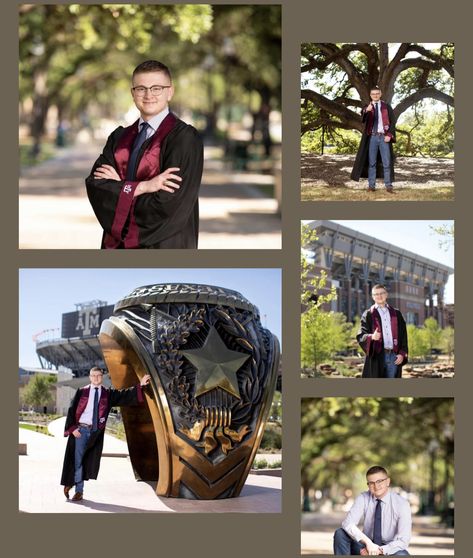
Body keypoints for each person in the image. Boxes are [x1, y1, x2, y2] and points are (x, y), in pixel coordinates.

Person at [86, 60, 203, 249]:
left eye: (157, 88)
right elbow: (97, 186)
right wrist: (144, 186)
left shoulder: (184, 139)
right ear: (133, 93)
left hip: (164, 245)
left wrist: (120, 188)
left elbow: (169, 203)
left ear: (169, 92)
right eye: (141, 88)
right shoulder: (118, 138)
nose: (148, 95)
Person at [60, 367, 151, 501]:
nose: (96, 378)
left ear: (101, 377)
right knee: (78, 460)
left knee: (86, 460)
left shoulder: (107, 394)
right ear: (90, 377)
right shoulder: (82, 392)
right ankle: (79, 491)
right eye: (93, 375)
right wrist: (73, 428)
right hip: (81, 431)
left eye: (98, 375)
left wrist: (140, 386)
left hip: (95, 433)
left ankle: (73, 483)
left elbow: (124, 395)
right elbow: (72, 410)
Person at [334, 466, 411, 555]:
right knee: (340, 533)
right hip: (365, 546)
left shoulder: (402, 504)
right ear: (368, 485)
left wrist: (379, 550)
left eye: (379, 481)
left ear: (388, 482)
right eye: (371, 483)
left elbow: (404, 540)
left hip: (389, 548)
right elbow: (347, 523)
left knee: (403, 555)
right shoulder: (363, 498)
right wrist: (368, 543)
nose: (376, 486)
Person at [357, 284, 408, 378]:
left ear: (386, 294)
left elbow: (404, 335)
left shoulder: (396, 314)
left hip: (394, 355)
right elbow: (361, 335)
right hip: (377, 355)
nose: (379, 296)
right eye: (376, 294)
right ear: (373, 297)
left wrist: (402, 353)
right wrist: (372, 337)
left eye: (381, 293)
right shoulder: (368, 314)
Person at [351, 87, 396, 193]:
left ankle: (388, 186)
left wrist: (389, 134)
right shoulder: (368, 107)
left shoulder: (386, 107)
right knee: (372, 163)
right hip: (372, 138)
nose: (375, 95)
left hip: (384, 137)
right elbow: (363, 117)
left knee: (387, 163)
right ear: (370, 95)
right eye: (373, 94)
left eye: (377, 93)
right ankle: (371, 186)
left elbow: (393, 122)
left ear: (380, 94)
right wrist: (367, 110)